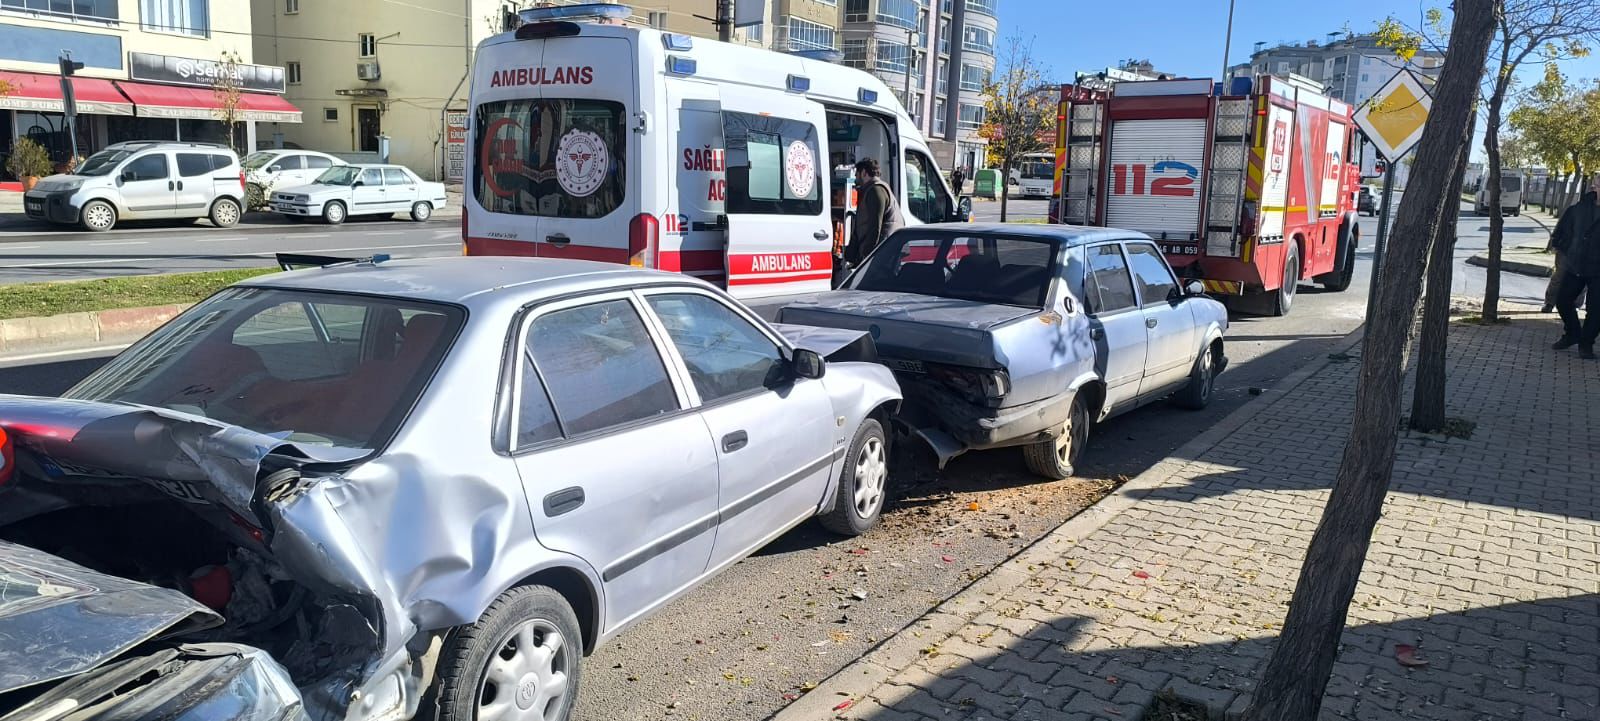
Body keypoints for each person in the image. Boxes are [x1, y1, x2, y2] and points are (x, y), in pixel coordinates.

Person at [1549, 175, 1600, 359]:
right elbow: (1562, 230)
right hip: (1575, 264)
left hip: (1598, 270)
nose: (1596, 188)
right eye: (1596, 185)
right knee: (1562, 301)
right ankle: (1573, 333)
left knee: (1596, 310)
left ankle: (1586, 344)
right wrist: (1562, 248)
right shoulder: (1579, 208)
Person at [840, 157, 901, 273]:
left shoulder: (876, 191)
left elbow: (875, 227)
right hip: (884, 250)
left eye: (857, 174)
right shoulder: (875, 189)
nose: (855, 178)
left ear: (864, 173)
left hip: (882, 254)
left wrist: (868, 256)